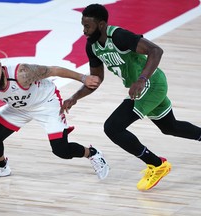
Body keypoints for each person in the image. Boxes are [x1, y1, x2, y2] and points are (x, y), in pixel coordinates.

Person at [61, 4, 201, 191]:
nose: (84, 31)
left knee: (113, 127)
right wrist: (75, 97)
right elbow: (97, 79)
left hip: (150, 84)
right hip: (143, 87)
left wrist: (141, 79)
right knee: (170, 127)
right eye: (83, 25)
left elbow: (156, 51)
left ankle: (157, 165)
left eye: (88, 26)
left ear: (101, 24)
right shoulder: (92, 46)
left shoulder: (118, 36)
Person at [0, 51, 110, 180]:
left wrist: (83, 78)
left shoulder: (22, 73)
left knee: (61, 150)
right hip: (19, 107)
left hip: (45, 103)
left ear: (1, 66)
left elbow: (54, 70)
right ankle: (1, 166)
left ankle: (92, 153)